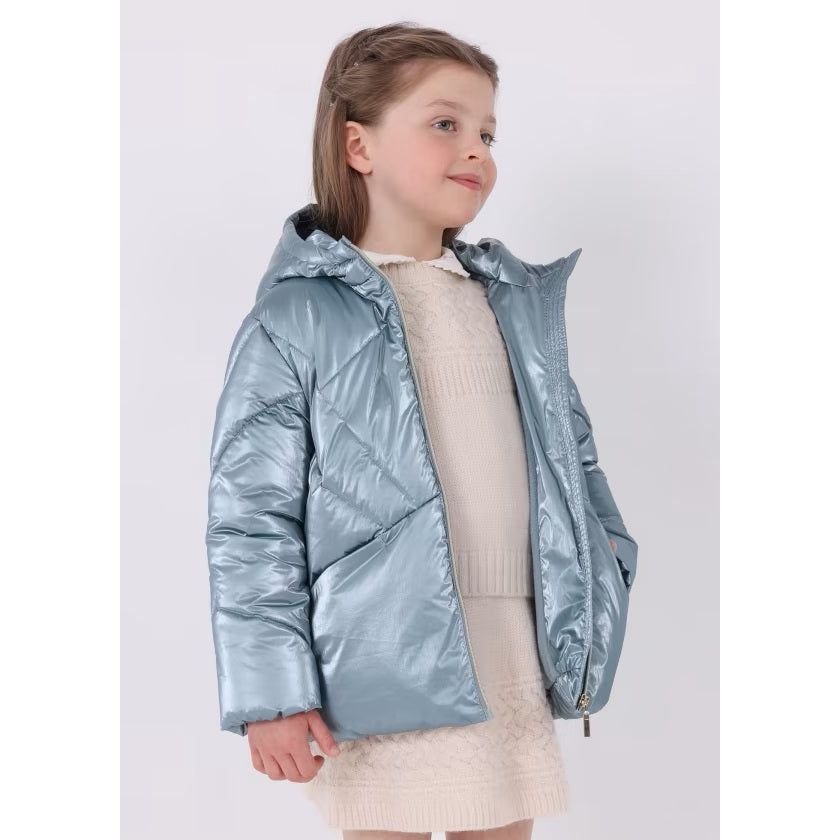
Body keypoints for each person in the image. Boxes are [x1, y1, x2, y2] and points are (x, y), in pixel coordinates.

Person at [205, 21, 638, 840]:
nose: (476, 149)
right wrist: (271, 691)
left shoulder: (511, 307)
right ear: (358, 145)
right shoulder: (298, 317)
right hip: (380, 656)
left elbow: (574, 468)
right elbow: (250, 520)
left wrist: (604, 568)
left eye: (488, 133)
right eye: (445, 123)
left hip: (510, 643)